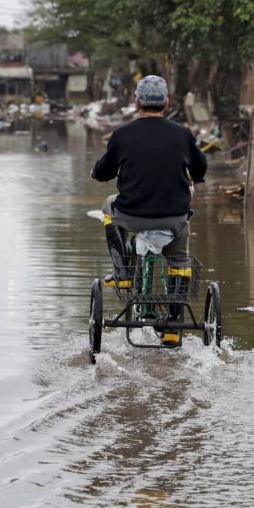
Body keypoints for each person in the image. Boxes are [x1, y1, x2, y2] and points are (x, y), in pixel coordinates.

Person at [91, 75, 207, 345]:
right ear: (166, 102)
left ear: (136, 102)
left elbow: (104, 169)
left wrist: (96, 173)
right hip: (173, 217)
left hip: (132, 216)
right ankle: (172, 327)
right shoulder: (183, 134)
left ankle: (122, 272)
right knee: (179, 261)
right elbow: (200, 168)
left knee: (108, 203)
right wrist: (196, 176)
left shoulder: (122, 134)